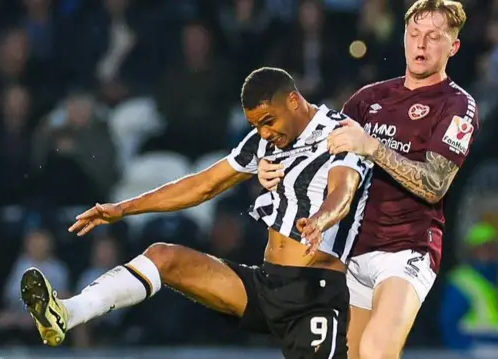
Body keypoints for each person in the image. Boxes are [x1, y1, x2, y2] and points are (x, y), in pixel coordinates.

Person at [20, 67, 373, 358]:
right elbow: (202, 185)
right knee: (163, 257)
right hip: (268, 284)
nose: (265, 133)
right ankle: (68, 312)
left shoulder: (341, 133)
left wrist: (323, 220)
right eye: (256, 126)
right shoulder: (264, 140)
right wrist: (123, 209)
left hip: (317, 294)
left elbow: (343, 189)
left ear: (294, 101)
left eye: (269, 121)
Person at [257, 1, 480, 358]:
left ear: (453, 47)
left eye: (434, 37)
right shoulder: (368, 99)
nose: (421, 45)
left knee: (377, 350)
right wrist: (273, 169)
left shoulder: (456, 105)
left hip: (407, 250)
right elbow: (319, 153)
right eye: (415, 34)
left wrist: (373, 147)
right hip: (352, 251)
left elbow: (435, 184)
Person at [440, 222, 498, 357]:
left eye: (492, 247)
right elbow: (448, 323)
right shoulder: (463, 282)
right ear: (472, 252)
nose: (489, 252)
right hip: (481, 350)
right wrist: (465, 352)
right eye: (483, 247)